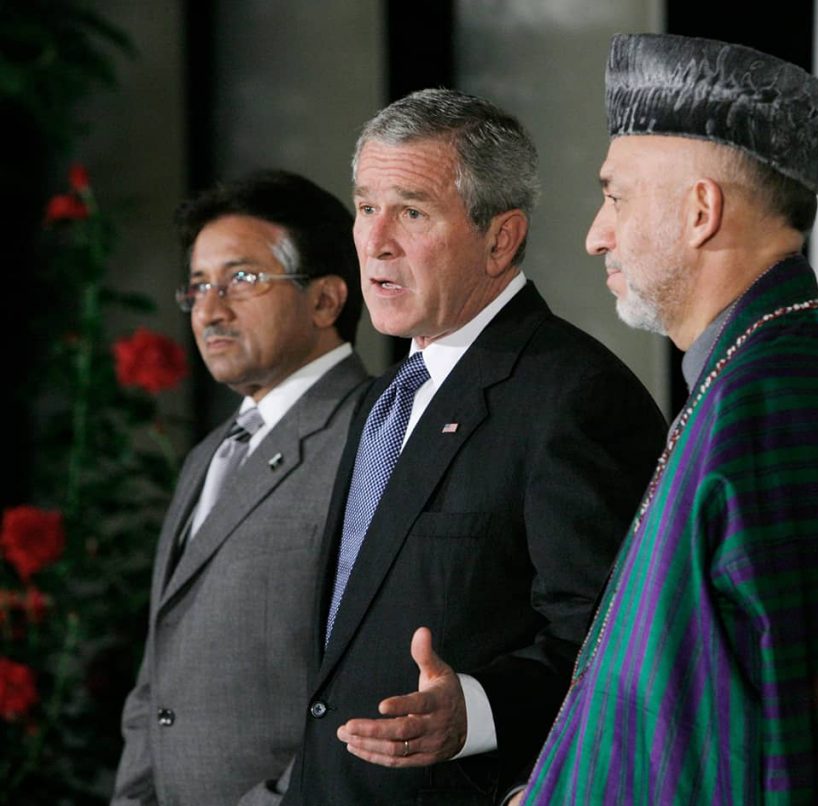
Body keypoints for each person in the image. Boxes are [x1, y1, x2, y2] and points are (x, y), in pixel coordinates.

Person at [516, 34, 818, 804]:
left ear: (701, 210)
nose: (595, 233)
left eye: (616, 196)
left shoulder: (782, 405)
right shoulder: (757, 380)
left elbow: (813, 748)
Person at [280, 89, 667, 805]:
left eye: (412, 212)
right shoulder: (382, 399)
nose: (375, 240)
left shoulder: (573, 395)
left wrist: (479, 712)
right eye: (366, 207)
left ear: (500, 237)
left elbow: (613, 642)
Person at [112, 170, 371, 806]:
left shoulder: (376, 437)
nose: (209, 309)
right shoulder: (209, 455)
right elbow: (157, 678)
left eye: (241, 279)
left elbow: (371, 680)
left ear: (326, 301)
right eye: (198, 286)